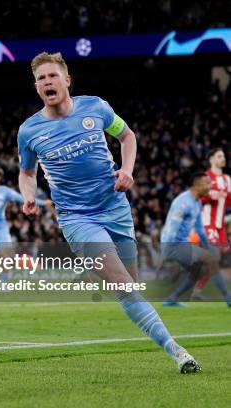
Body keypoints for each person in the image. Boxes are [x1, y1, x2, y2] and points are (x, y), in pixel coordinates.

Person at [17, 51, 200, 373]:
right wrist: (28, 196)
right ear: (36, 87)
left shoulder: (96, 107)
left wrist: (127, 170)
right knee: (123, 285)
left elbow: (127, 136)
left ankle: (92, 269)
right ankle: (177, 351)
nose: (47, 82)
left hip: (115, 208)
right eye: (41, 78)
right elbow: (27, 172)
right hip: (77, 217)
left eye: (52, 76)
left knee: (131, 283)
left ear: (67, 80)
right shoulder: (29, 131)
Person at [161, 173, 230, 307]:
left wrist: (209, 246)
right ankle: (228, 297)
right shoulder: (183, 202)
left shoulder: (197, 202)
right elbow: (172, 228)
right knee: (210, 259)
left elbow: (200, 229)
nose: (211, 186)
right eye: (208, 183)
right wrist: (165, 251)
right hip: (173, 245)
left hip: (182, 243)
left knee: (199, 270)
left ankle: (172, 299)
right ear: (197, 185)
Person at [191, 148, 231, 300]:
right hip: (207, 224)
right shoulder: (206, 177)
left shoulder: (227, 179)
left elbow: (228, 201)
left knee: (212, 261)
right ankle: (226, 296)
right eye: (220, 156)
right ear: (211, 159)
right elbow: (197, 197)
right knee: (212, 259)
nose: (223, 158)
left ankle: (195, 290)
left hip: (220, 227)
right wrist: (211, 195)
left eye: (224, 156)